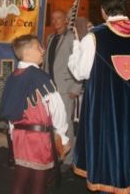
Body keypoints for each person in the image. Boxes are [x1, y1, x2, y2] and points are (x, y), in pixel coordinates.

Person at [68, 0, 130, 193]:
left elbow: (80, 72)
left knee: (106, 161)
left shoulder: (93, 37)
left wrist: (75, 46)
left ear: (103, 10)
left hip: (106, 113)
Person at [0, 34, 69, 194]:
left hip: (19, 137)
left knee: (20, 179)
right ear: (28, 52)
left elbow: (10, 115)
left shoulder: (12, 77)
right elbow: (57, 109)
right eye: (39, 47)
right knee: (39, 183)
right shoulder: (40, 77)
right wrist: (62, 136)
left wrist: (13, 135)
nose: (43, 50)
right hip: (38, 139)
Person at [43, 9, 82, 171]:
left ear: (66, 20)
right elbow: (46, 63)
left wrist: (76, 86)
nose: (56, 21)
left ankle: (68, 160)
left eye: (59, 18)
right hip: (50, 88)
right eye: (53, 18)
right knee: (52, 123)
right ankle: (55, 154)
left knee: (66, 125)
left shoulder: (72, 38)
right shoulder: (50, 38)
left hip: (66, 88)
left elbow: (79, 63)